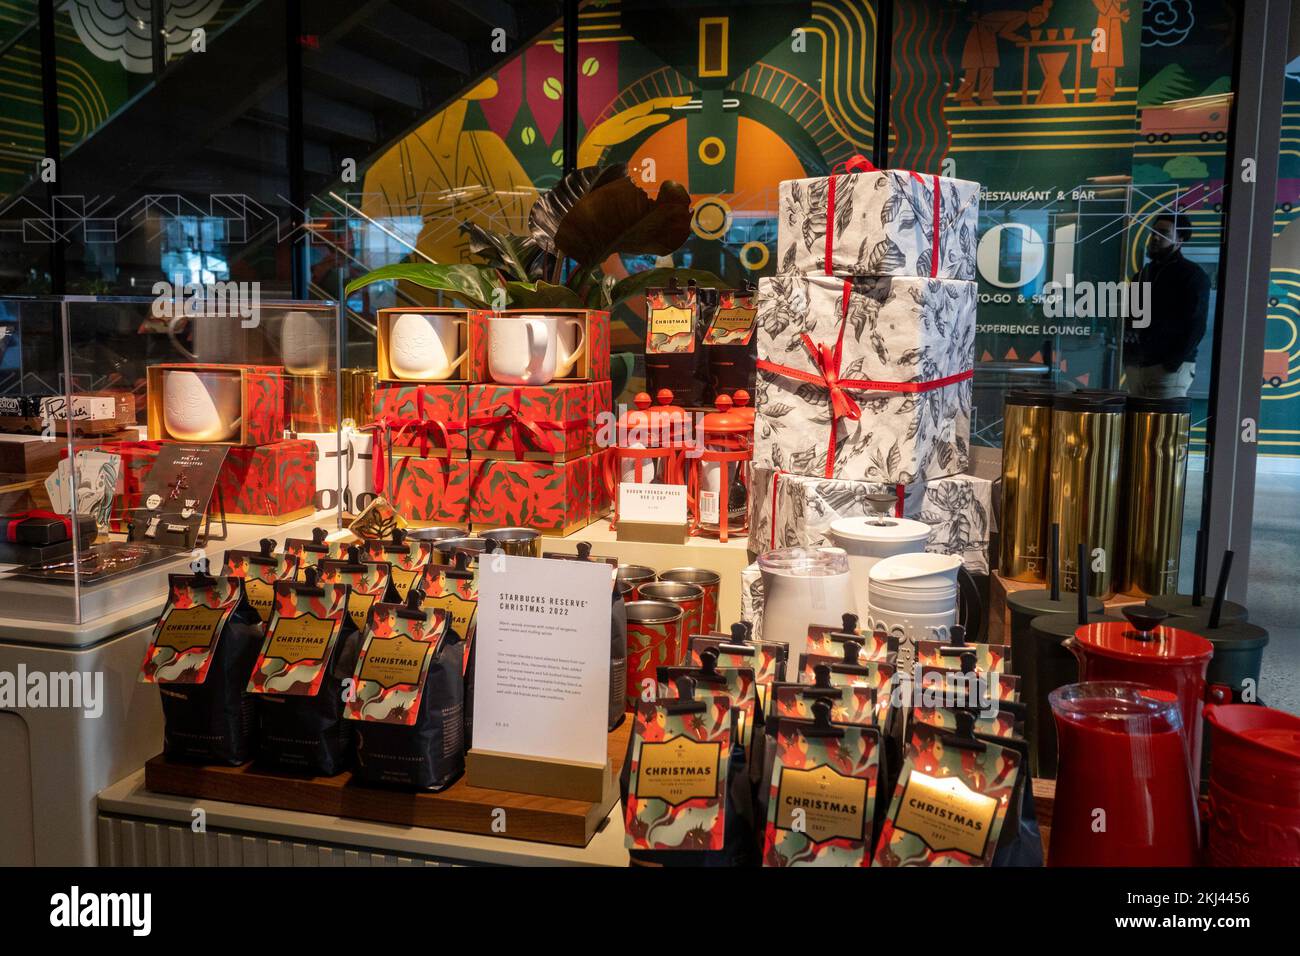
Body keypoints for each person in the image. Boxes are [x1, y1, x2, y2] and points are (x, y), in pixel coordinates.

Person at [1125, 215, 1209, 398]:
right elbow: (1131, 319)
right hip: (1141, 367)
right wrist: (1130, 361)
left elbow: (1196, 324)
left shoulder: (1192, 274)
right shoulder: (1142, 275)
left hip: (1168, 369)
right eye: (1153, 232)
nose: (1155, 237)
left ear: (1180, 240)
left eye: (1163, 233)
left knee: (1164, 424)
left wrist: (1172, 363)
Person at [955, 2, 1053, 107]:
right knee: (974, 66)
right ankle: (965, 98)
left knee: (988, 67)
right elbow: (1004, 33)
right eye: (1038, 19)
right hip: (981, 32)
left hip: (987, 34)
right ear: (1033, 14)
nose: (1038, 23)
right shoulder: (1021, 17)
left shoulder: (1021, 16)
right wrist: (1021, 39)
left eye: (1041, 22)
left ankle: (985, 98)